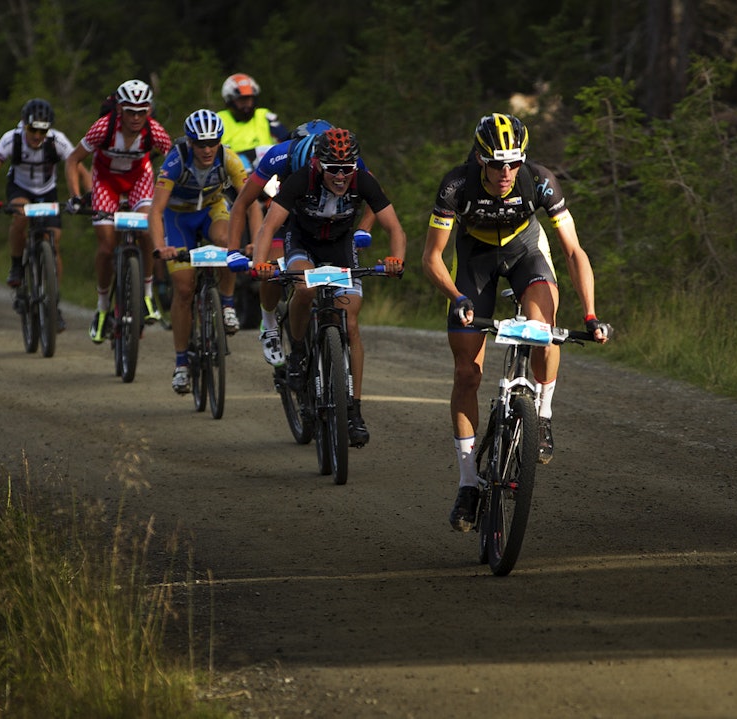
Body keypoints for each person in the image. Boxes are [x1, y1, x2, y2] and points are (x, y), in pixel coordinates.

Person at [420, 112, 609, 532]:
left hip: (527, 252)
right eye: (496, 164)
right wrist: (458, 297)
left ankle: (541, 415)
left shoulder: (539, 181)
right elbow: (432, 257)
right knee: (467, 373)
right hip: (476, 262)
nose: (506, 173)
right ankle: (469, 483)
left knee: (544, 334)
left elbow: (574, 251)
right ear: (479, 158)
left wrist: (591, 314)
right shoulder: (457, 185)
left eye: (514, 163)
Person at [251, 128, 406, 447]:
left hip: (340, 246)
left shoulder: (362, 180)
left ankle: (354, 411)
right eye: (333, 168)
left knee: (350, 323)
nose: (340, 176)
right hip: (302, 244)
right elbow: (269, 226)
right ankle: (296, 355)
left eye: (346, 169)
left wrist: (396, 260)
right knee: (304, 289)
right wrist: (260, 263)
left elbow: (395, 228)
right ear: (319, 165)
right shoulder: (299, 181)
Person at [225, 118, 375, 367]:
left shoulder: (344, 156)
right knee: (272, 266)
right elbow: (242, 203)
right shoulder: (279, 154)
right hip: (288, 216)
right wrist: (233, 251)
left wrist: (364, 229)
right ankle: (269, 324)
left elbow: (374, 195)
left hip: (324, 223)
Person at [148, 109, 262, 394]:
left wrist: (257, 241)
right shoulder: (175, 160)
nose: (208, 149)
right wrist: (161, 246)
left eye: (213, 142)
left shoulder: (229, 158)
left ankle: (226, 305)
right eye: (201, 144)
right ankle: (182, 364)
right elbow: (156, 210)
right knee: (184, 289)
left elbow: (251, 203)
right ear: (190, 142)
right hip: (178, 218)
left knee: (227, 241)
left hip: (212, 210)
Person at [63, 79, 174, 343]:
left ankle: (146, 295)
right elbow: (72, 160)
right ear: (119, 110)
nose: (136, 118)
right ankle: (102, 310)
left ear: (148, 110)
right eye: (130, 111)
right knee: (105, 245)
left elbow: (174, 160)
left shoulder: (154, 131)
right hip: (106, 181)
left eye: (141, 111)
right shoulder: (103, 128)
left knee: (147, 228)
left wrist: (177, 192)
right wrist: (76, 197)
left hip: (139, 180)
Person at [0, 98, 90, 330]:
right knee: (20, 215)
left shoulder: (57, 141)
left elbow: (81, 171)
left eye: (42, 130)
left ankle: (53, 302)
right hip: (19, 187)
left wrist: (89, 197)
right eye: (32, 130)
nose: (37, 136)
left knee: (55, 240)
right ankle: (17, 265)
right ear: (24, 125)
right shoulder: (12, 139)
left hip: (47, 190)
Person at [217, 73, 290, 167]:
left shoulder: (265, 116)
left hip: (268, 169)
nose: (246, 105)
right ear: (230, 101)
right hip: (234, 172)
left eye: (249, 100)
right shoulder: (219, 120)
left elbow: (285, 139)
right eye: (241, 100)